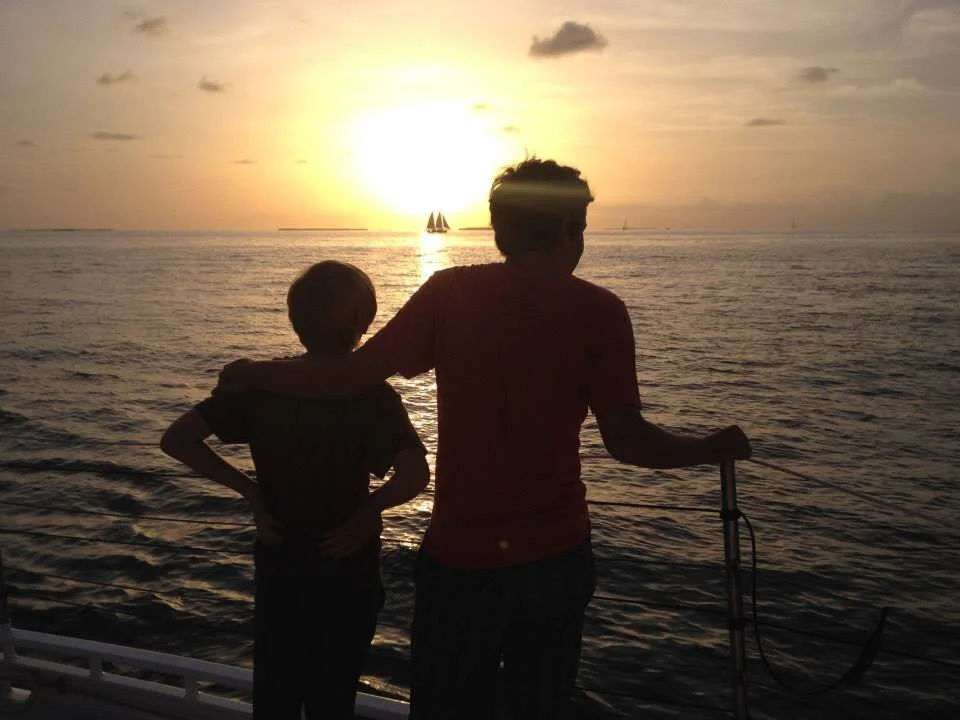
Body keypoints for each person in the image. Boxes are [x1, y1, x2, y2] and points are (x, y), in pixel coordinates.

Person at [216, 159, 752, 720]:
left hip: (460, 561)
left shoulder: (451, 294)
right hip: (554, 561)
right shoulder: (601, 312)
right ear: (571, 228)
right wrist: (710, 448)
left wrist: (256, 370)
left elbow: (346, 375)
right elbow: (629, 443)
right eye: (583, 226)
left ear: (501, 230)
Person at [160, 260, 429, 720]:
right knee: (333, 699)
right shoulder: (372, 397)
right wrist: (369, 511)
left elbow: (178, 439)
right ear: (363, 320)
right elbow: (414, 475)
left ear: (296, 321)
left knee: (276, 695)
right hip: (348, 567)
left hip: (281, 559)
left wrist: (252, 493)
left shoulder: (260, 386)